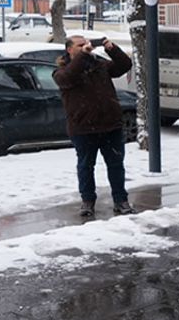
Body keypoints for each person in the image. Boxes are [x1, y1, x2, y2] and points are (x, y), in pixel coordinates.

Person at [53, 35, 135, 217]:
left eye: (86, 44)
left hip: (110, 125)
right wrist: (83, 55)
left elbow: (124, 66)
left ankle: (121, 200)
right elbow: (69, 77)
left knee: (116, 165)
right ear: (69, 49)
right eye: (80, 45)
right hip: (83, 128)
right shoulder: (62, 71)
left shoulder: (99, 65)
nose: (86, 47)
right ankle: (87, 201)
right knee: (86, 166)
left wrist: (112, 49)